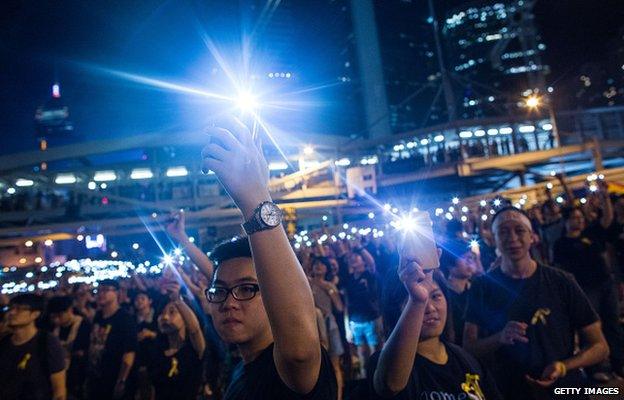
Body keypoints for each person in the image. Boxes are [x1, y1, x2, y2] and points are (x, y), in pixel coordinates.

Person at [201, 116, 337, 399]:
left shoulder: (291, 372)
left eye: (247, 289)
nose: (229, 303)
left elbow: (299, 353)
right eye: (220, 291)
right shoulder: (241, 368)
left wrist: (255, 199)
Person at [463, 207, 609, 400]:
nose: (512, 238)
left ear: (532, 237)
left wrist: (564, 366)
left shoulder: (561, 281)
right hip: (510, 392)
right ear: (494, 240)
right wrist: (500, 337)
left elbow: (600, 346)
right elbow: (468, 348)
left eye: (519, 230)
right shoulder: (482, 287)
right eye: (503, 232)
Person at [369, 253, 501, 399]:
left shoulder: (467, 361)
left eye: (436, 296)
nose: (430, 308)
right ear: (395, 310)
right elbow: (391, 385)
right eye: (410, 300)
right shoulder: (388, 364)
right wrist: (417, 300)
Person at [553, 205, 624, 379]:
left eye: (581, 217)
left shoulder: (591, 234)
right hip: (584, 289)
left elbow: (607, 218)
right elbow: (559, 269)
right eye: (575, 218)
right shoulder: (561, 244)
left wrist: (604, 197)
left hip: (605, 284)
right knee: (590, 328)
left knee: (612, 323)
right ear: (566, 221)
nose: (579, 220)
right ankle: (597, 368)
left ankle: (619, 363)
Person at [146, 279, 205, 400]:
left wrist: (177, 300)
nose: (165, 317)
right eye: (161, 313)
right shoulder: (156, 349)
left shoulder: (194, 348)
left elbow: (195, 330)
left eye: (172, 312)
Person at [0, 293, 67, 400]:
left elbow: (59, 391)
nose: (12, 312)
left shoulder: (46, 342)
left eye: (19, 309)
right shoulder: (4, 342)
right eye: (11, 308)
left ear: (35, 314)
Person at [86, 279, 138, 400]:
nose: (101, 294)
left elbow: (129, 352)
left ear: (117, 293)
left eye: (105, 290)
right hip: (96, 377)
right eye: (99, 290)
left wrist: (122, 380)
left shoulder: (125, 318)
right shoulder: (98, 316)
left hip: (113, 377)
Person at [310, 256, 345, 399]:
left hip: (330, 327)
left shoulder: (330, 286)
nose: (318, 266)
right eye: (316, 264)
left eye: (322, 264)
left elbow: (339, 307)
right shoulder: (307, 283)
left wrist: (329, 289)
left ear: (326, 268)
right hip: (314, 328)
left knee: (334, 364)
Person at [344, 251, 381, 378]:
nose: (353, 260)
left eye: (356, 258)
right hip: (355, 322)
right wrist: (347, 327)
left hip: (371, 319)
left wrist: (359, 248)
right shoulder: (349, 280)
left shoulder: (369, 275)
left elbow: (372, 263)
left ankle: (376, 380)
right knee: (361, 353)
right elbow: (346, 305)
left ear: (363, 261)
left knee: (374, 352)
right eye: (351, 258)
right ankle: (366, 381)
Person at [48, 296, 91, 399]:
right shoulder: (53, 327)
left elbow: (86, 350)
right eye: (54, 317)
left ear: (70, 310)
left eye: (59, 315)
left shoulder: (84, 325)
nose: (56, 320)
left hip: (78, 375)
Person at [439, 240, 478, 346]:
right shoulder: (442, 293)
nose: (471, 262)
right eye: (466, 258)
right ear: (451, 265)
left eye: (472, 258)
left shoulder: (477, 289)